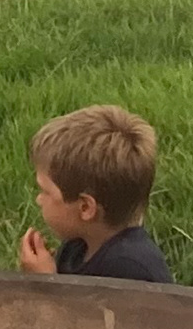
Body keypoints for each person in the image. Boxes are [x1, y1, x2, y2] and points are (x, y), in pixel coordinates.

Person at [18, 106, 172, 283]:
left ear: (85, 207)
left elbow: (81, 312)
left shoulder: (130, 270)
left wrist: (48, 283)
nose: (38, 200)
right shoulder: (78, 244)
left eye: (45, 191)